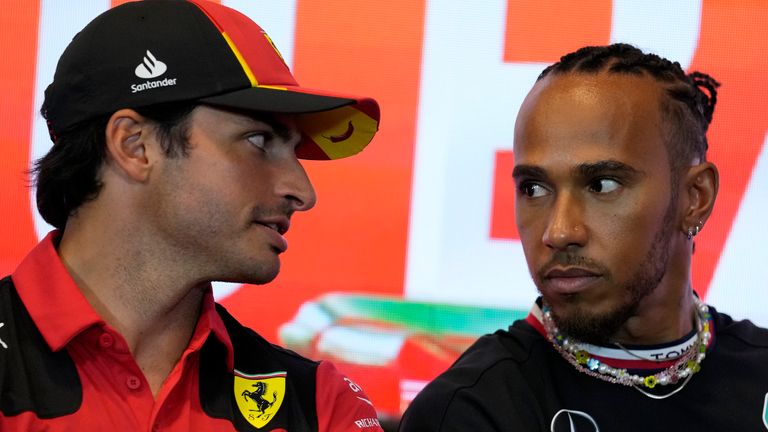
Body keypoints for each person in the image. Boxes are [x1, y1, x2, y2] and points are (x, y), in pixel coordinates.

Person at [0, 1, 384, 431]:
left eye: (293, 151)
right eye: (258, 140)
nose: (303, 192)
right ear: (134, 146)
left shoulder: (319, 405)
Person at [399, 43, 768, 431]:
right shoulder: (471, 410)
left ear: (696, 198)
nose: (558, 232)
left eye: (602, 184)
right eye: (534, 188)